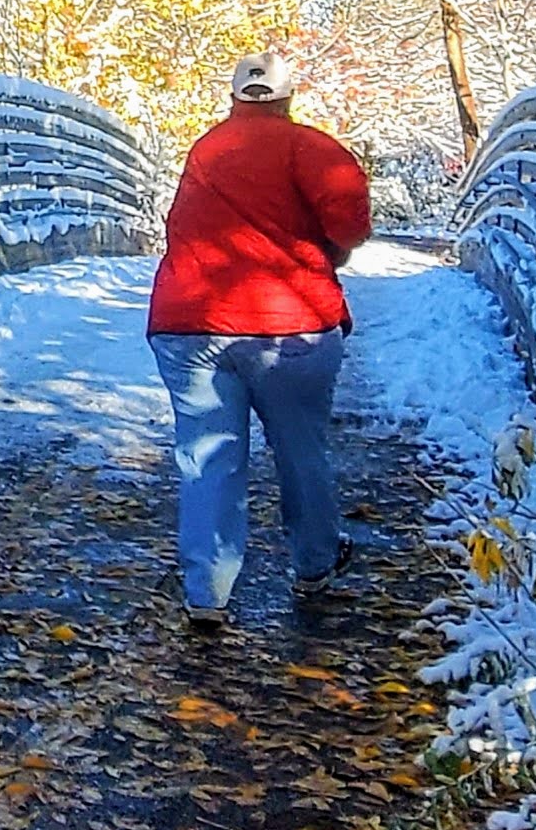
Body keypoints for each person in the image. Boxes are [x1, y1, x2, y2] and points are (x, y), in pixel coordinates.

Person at [147, 53, 373, 622]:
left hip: (192, 323)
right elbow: (350, 224)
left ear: (234, 100)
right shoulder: (313, 148)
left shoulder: (206, 150)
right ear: (287, 98)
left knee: (207, 455)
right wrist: (329, 251)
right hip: (292, 327)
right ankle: (316, 564)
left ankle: (206, 591)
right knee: (301, 448)